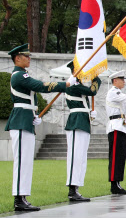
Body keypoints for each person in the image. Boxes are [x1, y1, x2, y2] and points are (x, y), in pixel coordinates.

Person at [5, 44, 72, 211]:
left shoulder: (23, 74)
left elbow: (31, 98)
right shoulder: (19, 75)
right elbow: (40, 85)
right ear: (17, 58)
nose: (29, 58)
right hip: (20, 120)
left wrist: (34, 115)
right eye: (26, 56)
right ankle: (18, 199)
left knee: (27, 161)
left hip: (26, 119)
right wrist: (64, 85)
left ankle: (23, 197)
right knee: (22, 161)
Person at [64, 60, 101, 202]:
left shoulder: (77, 85)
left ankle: (76, 188)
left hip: (82, 121)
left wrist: (89, 112)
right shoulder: (72, 84)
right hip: (76, 122)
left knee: (81, 157)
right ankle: (72, 189)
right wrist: (96, 78)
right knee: (75, 157)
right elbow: (92, 91)